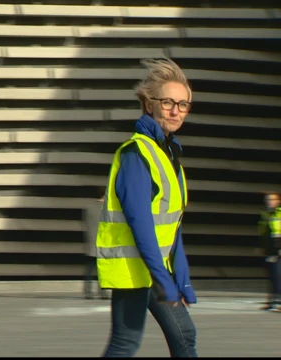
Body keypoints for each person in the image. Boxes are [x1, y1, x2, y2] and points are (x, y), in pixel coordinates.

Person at [96, 58, 198, 357]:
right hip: (134, 269)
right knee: (126, 343)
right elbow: (141, 223)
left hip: (154, 270)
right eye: (168, 102)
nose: (176, 110)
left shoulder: (167, 154)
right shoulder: (136, 154)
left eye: (183, 104)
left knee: (183, 335)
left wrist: (182, 277)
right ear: (149, 103)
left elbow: (172, 224)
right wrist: (164, 279)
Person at [83, 187, 111, 300]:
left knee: (89, 270)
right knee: (102, 271)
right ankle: (103, 292)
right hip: (102, 243)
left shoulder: (88, 208)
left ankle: (88, 292)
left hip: (90, 243)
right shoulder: (106, 209)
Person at [258, 192, 281, 312]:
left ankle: (279, 302)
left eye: (272, 199)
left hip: (279, 249)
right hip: (270, 250)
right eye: (267, 199)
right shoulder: (265, 214)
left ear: (278, 201)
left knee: (279, 276)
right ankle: (273, 301)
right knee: (272, 276)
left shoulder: (279, 213)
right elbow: (264, 233)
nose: (269, 201)